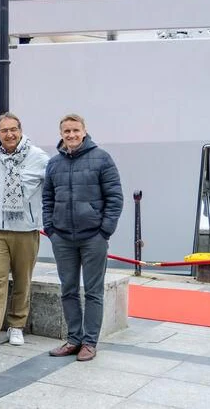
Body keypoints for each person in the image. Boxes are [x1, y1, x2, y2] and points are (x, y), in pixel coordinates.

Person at [44, 114, 123, 362]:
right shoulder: (54, 164)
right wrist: (51, 229)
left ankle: (89, 342)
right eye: (66, 131)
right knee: (68, 290)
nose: (71, 135)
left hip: (93, 238)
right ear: (61, 134)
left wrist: (104, 231)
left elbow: (115, 198)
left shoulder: (102, 159)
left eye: (75, 130)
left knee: (93, 292)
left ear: (84, 131)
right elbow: (47, 199)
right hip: (62, 238)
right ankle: (74, 339)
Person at [0, 113, 50, 351]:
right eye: (4, 130)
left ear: (20, 130)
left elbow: (52, 189)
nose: (9, 134)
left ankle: (16, 325)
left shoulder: (39, 157)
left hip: (26, 229)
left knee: (22, 279)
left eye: (13, 129)